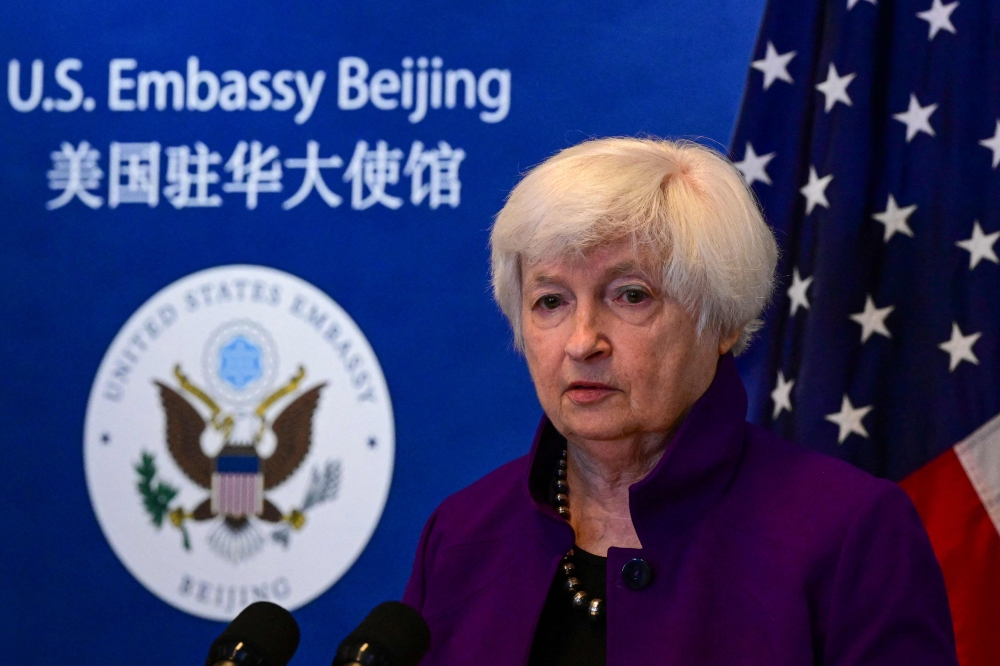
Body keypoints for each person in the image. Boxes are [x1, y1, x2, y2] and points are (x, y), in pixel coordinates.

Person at [402, 137, 958, 665]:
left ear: (721, 319)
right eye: (550, 301)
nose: (581, 340)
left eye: (631, 295)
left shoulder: (847, 533)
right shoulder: (462, 533)